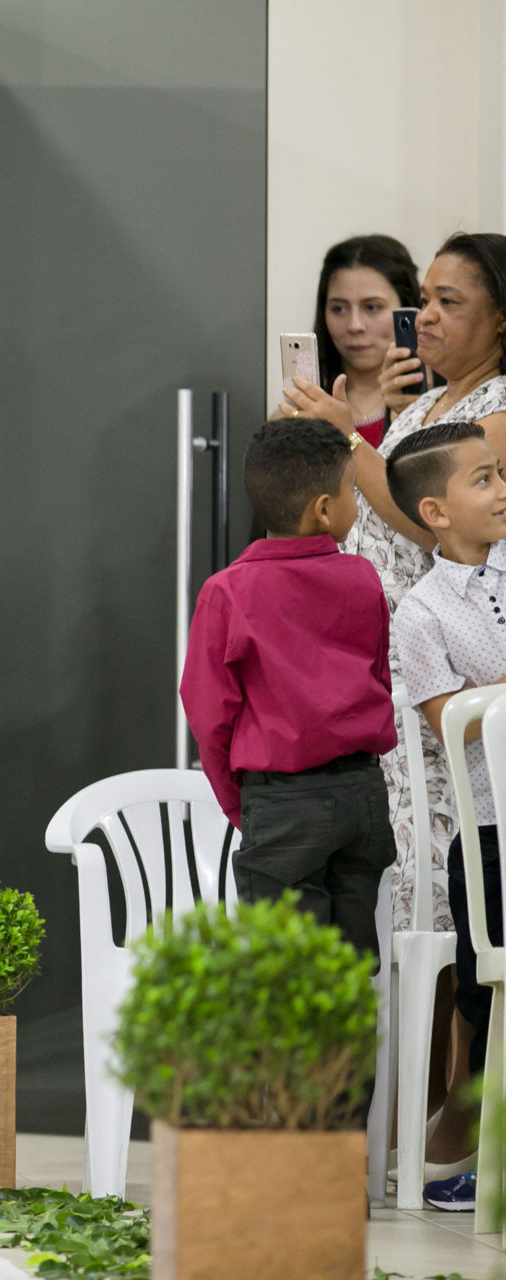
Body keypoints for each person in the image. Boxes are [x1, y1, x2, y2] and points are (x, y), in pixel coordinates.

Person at [283, 233, 506, 1169]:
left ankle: (456, 1112)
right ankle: (395, 1121)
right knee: (409, 896)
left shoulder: (497, 408)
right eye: (427, 298)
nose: (428, 319)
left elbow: (429, 513)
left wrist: (349, 443)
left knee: (455, 900)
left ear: (500, 316)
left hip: (450, 667)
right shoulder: (435, 399)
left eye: (450, 301)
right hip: (391, 665)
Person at [179, 418, 396, 951]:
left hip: (283, 803)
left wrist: (243, 803)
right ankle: (353, 1040)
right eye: (352, 492)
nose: (356, 505)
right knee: (350, 967)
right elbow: (379, 679)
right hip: (362, 794)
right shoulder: (363, 578)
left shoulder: (227, 592)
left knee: (286, 976)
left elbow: (208, 716)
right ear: (323, 509)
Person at [383, 421, 506, 1211]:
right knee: (486, 979)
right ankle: (484, 1152)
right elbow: (454, 725)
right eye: (485, 479)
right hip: (493, 821)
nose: (502, 490)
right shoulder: (420, 614)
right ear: (436, 510)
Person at [306, 234, 424, 448]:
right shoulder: (305, 409)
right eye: (338, 308)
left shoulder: (436, 403)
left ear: (407, 309)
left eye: (372, 307)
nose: (354, 325)